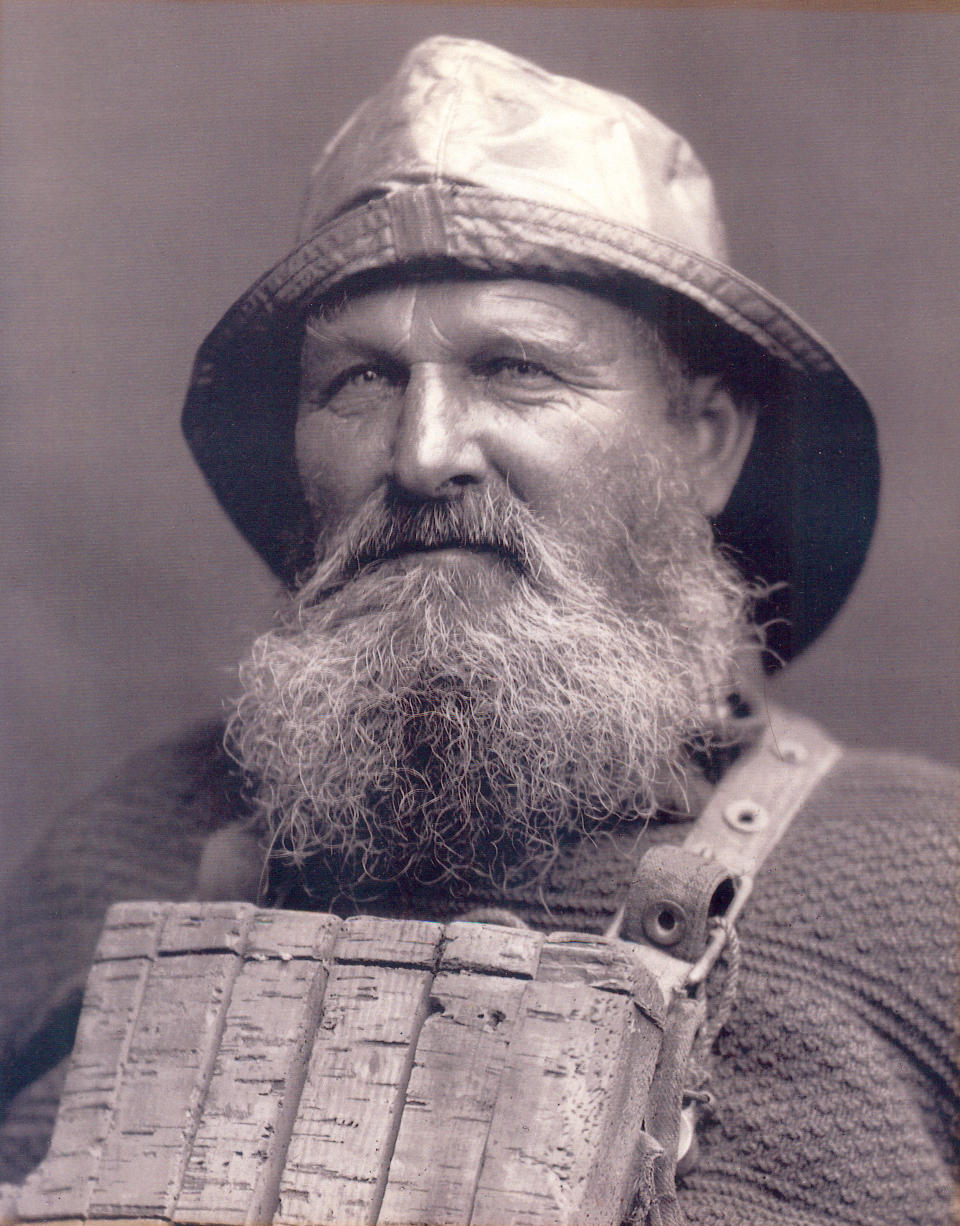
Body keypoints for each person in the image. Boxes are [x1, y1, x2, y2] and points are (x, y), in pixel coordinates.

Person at [0, 36, 956, 1225]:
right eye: (361, 381)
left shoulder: (930, 893)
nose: (423, 451)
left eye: (515, 369)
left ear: (704, 439)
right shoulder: (115, 852)